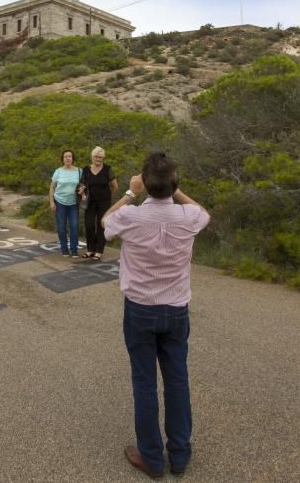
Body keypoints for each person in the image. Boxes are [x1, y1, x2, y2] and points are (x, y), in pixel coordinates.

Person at [102, 152, 210, 479]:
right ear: (174, 183)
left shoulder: (132, 216)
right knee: (177, 379)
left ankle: (151, 457)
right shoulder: (188, 216)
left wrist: (130, 192)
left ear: (145, 183)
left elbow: (106, 221)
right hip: (176, 308)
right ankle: (179, 454)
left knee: (144, 382)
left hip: (140, 309)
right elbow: (203, 212)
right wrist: (173, 191)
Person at [79, 146, 118, 261]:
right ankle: (90, 249)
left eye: (101, 157)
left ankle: (99, 251)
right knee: (89, 225)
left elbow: (115, 186)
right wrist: (82, 193)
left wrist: (108, 196)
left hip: (104, 202)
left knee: (102, 226)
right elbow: (82, 184)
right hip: (90, 202)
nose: (99, 159)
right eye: (96, 157)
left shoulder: (107, 169)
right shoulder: (85, 170)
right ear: (92, 157)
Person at [49, 150, 81, 258]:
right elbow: (52, 187)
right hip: (60, 202)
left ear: (73, 158)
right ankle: (64, 249)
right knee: (61, 227)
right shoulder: (58, 171)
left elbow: (83, 185)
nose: (68, 158)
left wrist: (83, 190)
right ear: (62, 159)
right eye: (65, 156)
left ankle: (74, 249)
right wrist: (52, 202)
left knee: (74, 226)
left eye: (70, 156)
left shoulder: (79, 171)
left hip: (73, 203)